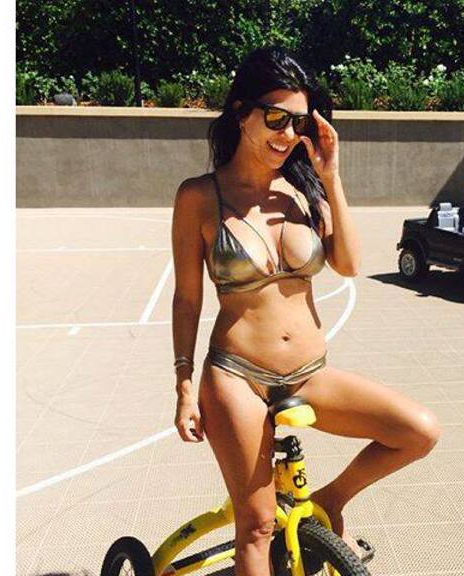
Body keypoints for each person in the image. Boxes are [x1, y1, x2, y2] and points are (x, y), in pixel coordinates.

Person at [171, 47, 441, 576]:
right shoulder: (199, 197)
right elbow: (187, 299)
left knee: (419, 431)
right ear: (241, 112)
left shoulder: (303, 191)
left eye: (299, 122)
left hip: (309, 373)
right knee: (256, 527)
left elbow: (349, 264)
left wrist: (330, 177)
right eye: (276, 118)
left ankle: (330, 501)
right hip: (236, 378)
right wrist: (183, 385)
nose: (288, 134)